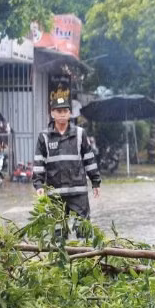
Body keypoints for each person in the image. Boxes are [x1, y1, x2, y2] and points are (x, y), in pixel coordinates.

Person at [33, 97, 101, 239]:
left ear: (70, 113)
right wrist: (38, 184)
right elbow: (39, 162)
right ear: (52, 113)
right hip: (56, 195)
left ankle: (84, 259)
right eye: (59, 111)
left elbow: (89, 159)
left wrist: (95, 182)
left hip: (78, 193)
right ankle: (61, 260)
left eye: (65, 110)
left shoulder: (80, 134)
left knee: (83, 231)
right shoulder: (44, 137)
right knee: (58, 234)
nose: (62, 114)